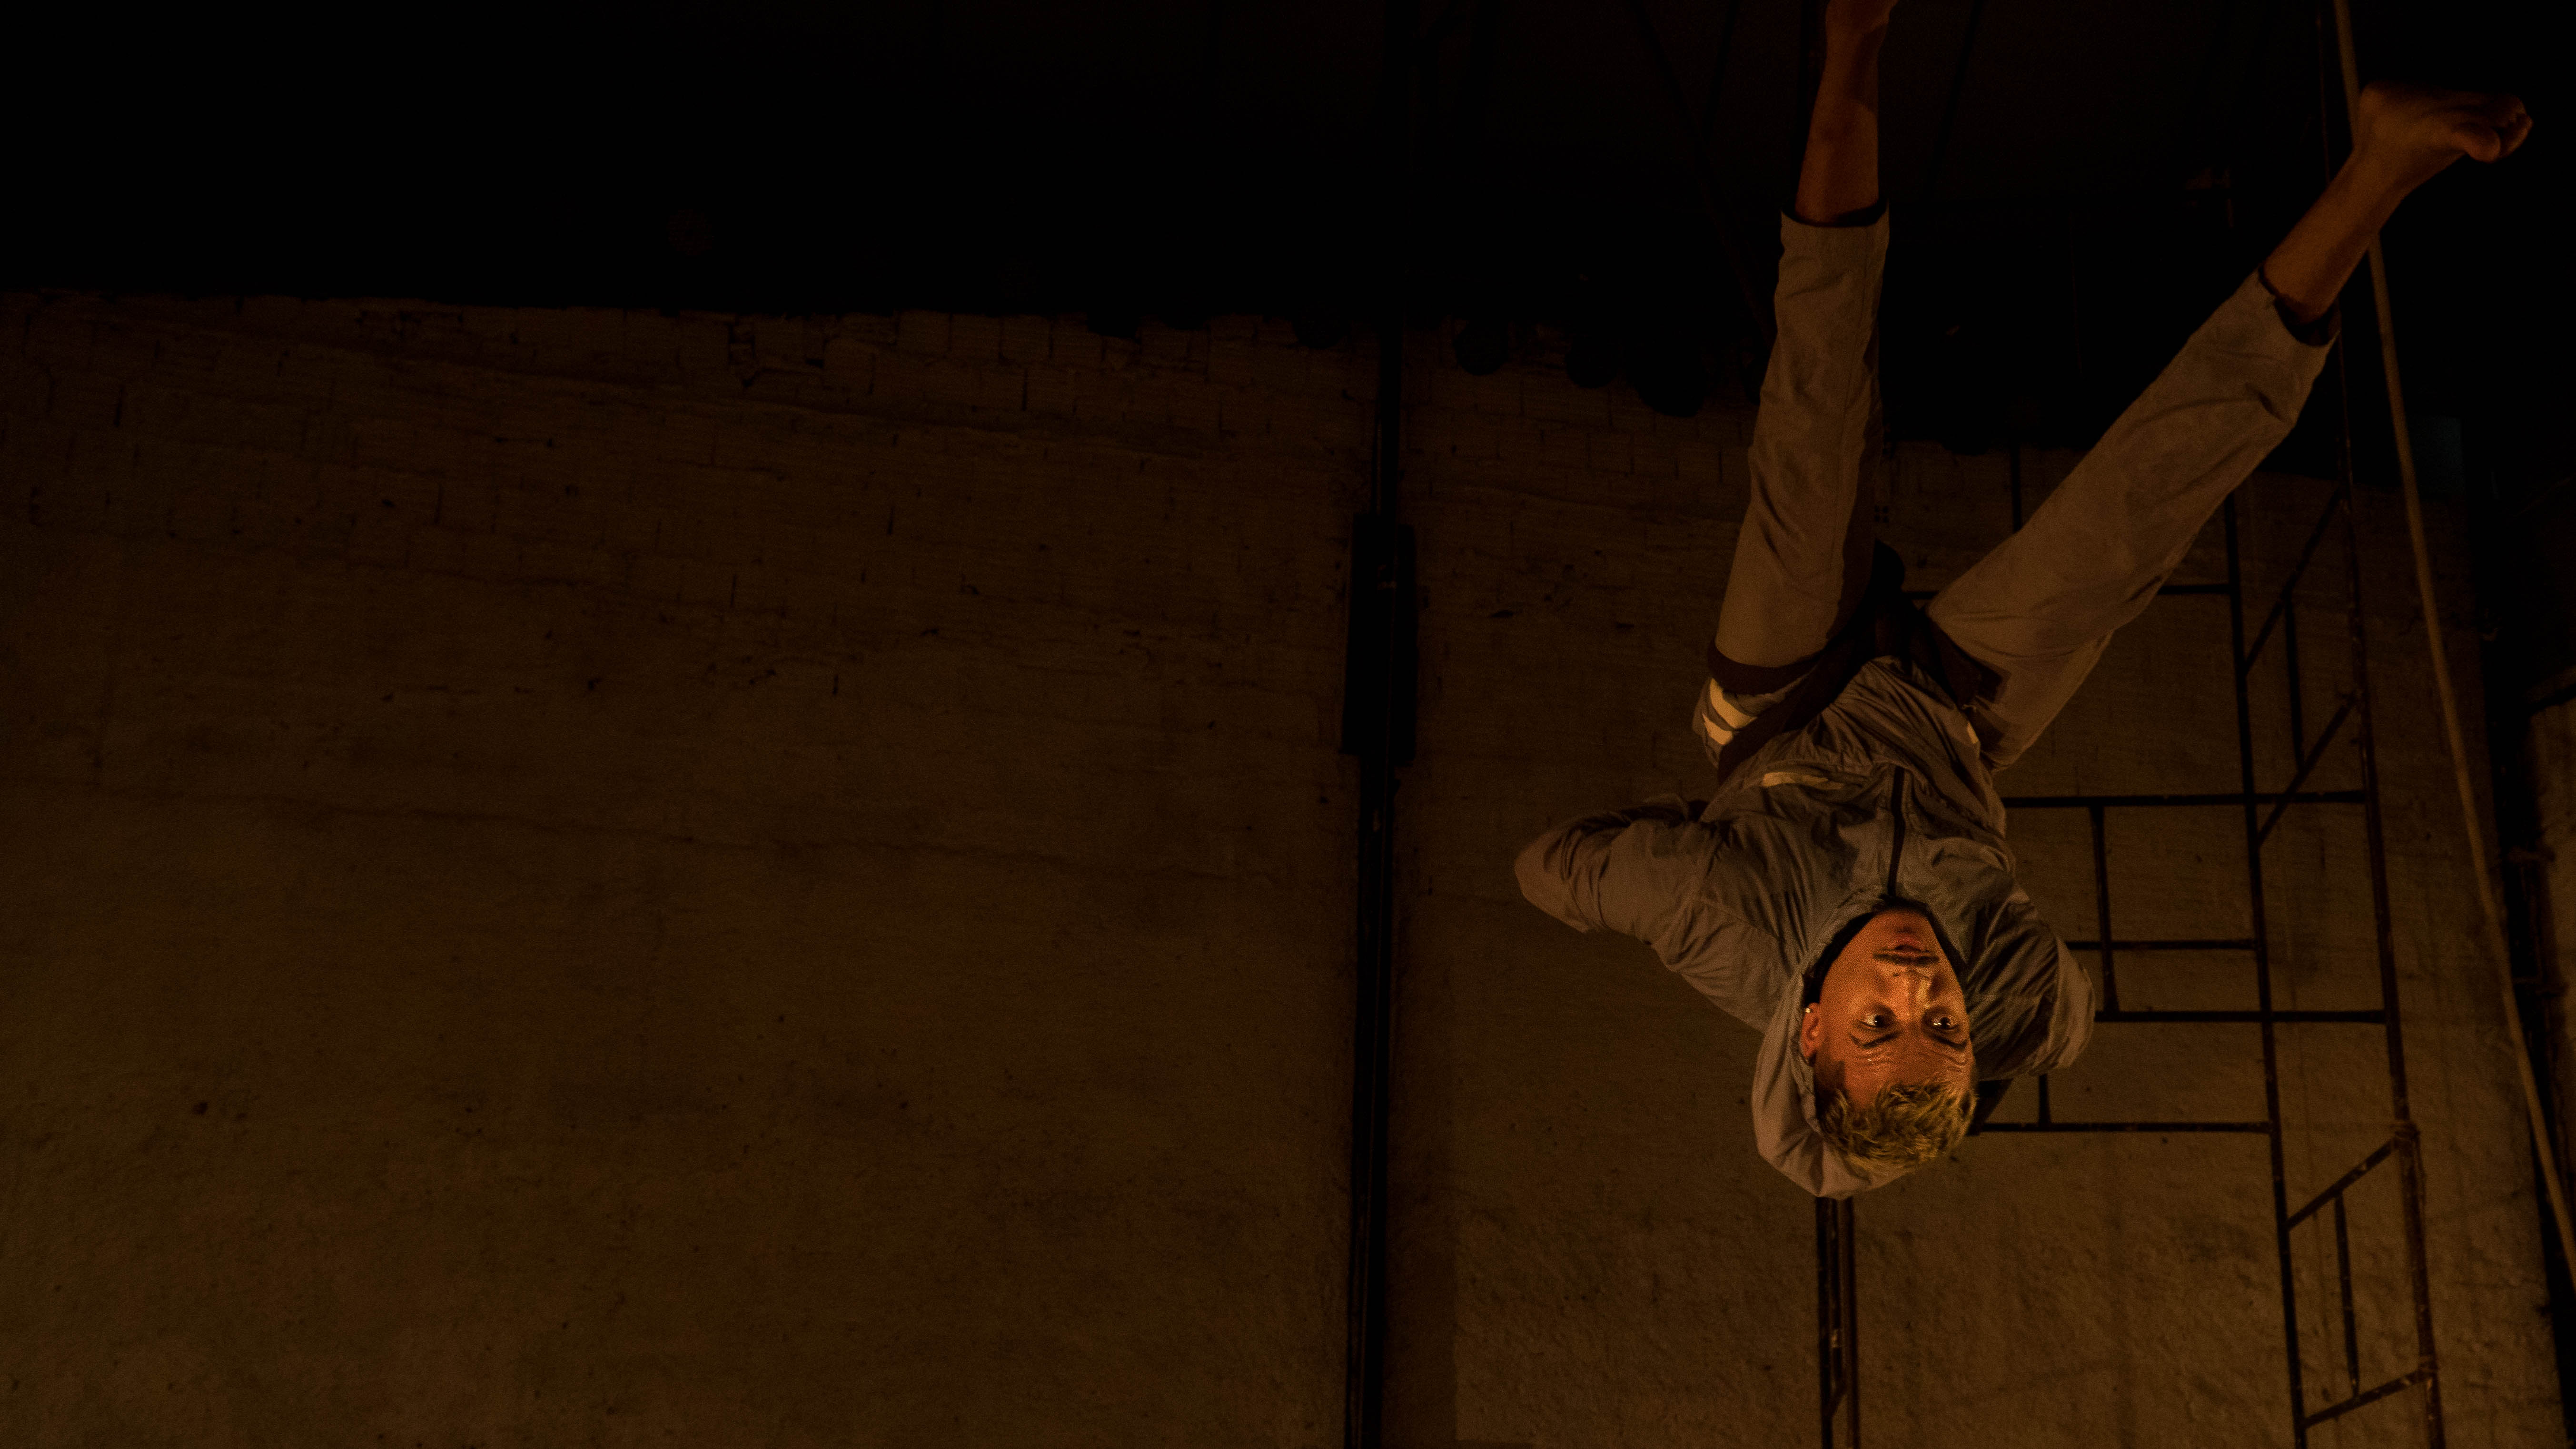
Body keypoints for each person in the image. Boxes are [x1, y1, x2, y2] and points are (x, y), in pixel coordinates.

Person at [1513, 0, 2533, 1197]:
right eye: (1943, 1026)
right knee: (2137, 513)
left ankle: (1853, 39)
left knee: (1814, 416)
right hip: (1950, 729)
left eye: (1878, 1022)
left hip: (1784, 710)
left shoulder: (1712, 912)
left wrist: (1702, 807)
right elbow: (2047, 1029)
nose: (1917, 989)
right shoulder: (2030, 997)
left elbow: (1548, 866)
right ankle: (2380, 167)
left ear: (1808, 1027)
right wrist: (1952, 1036)